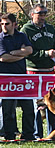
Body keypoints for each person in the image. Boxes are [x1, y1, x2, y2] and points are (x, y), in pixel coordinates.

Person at [21, 3, 55, 137]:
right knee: (37, 104)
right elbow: (27, 52)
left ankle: (53, 134)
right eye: (40, 13)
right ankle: (37, 134)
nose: (43, 16)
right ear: (32, 15)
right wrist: (45, 53)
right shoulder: (26, 30)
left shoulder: (50, 28)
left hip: (49, 70)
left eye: (44, 13)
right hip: (34, 71)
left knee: (52, 102)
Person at [0, 13, 34, 141]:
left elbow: (29, 50)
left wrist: (13, 53)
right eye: (2, 23)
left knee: (28, 108)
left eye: (7, 23)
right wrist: (21, 54)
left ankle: (28, 135)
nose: (4, 26)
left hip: (22, 78)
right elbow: (3, 57)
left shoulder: (22, 36)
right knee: (8, 110)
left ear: (14, 24)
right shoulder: (0, 38)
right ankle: (9, 135)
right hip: (6, 79)